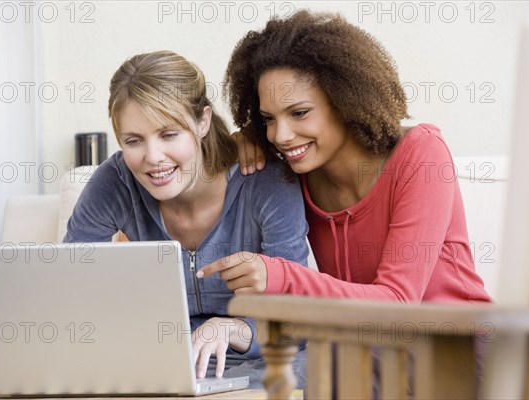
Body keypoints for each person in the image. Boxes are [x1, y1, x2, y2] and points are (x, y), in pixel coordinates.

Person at [198, 10, 491, 305]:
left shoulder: (422, 155)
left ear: (344, 101)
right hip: (362, 349)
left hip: (456, 345)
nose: (281, 135)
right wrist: (246, 138)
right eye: (268, 119)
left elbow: (398, 302)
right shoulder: (295, 169)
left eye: (299, 113)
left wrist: (282, 276)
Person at [63, 50, 310, 384]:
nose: (153, 158)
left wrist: (234, 328)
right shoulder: (116, 181)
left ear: (202, 121)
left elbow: (297, 318)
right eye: (133, 141)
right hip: (162, 359)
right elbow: (68, 288)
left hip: (255, 357)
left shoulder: (267, 182)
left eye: (169, 134)